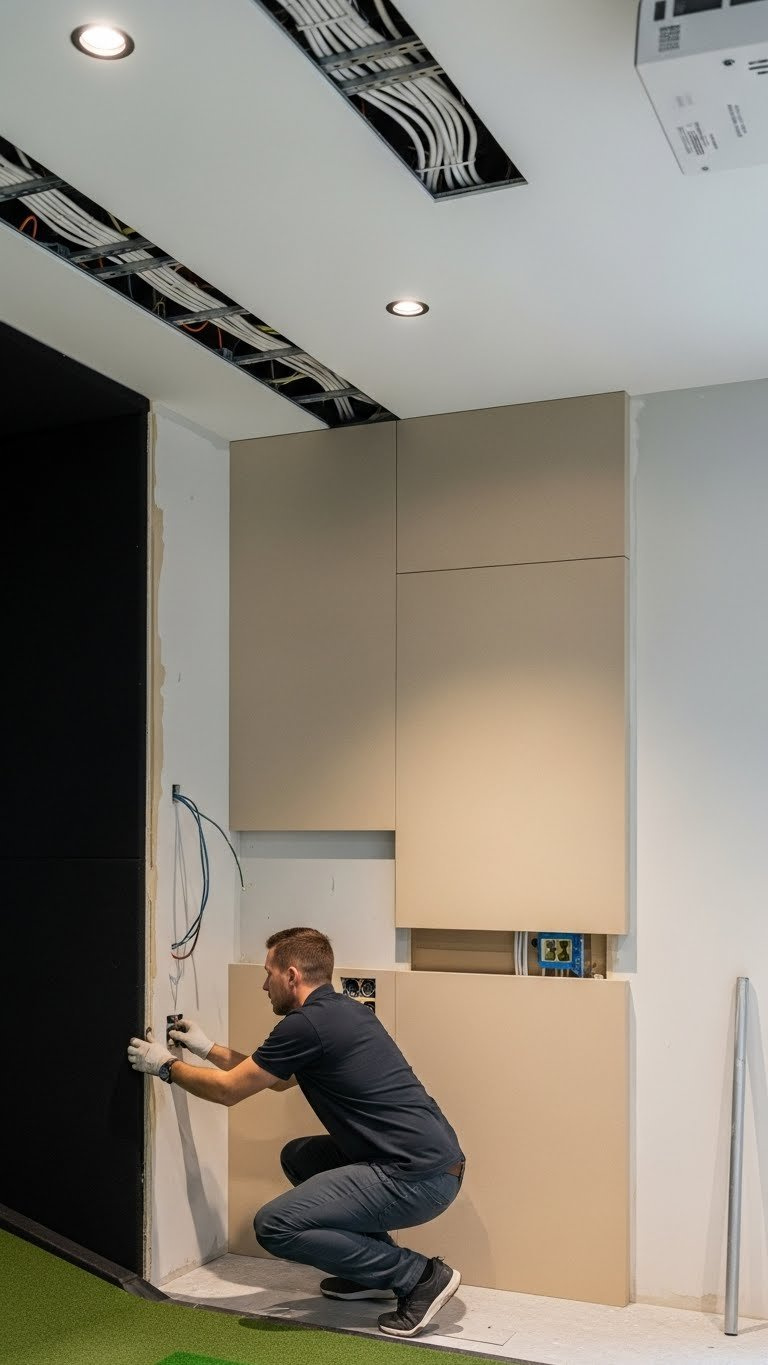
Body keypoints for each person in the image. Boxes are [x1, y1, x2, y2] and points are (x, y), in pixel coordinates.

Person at [127, 926, 464, 1338]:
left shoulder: (305, 1024)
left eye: (268, 973)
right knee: (302, 1157)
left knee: (275, 1225)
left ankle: (418, 1276)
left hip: (416, 1178)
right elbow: (278, 1079)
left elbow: (228, 1091)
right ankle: (372, 1275)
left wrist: (165, 1066)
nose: (263, 985)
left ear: (291, 975)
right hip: (429, 1163)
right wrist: (206, 1048)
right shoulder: (341, 1011)